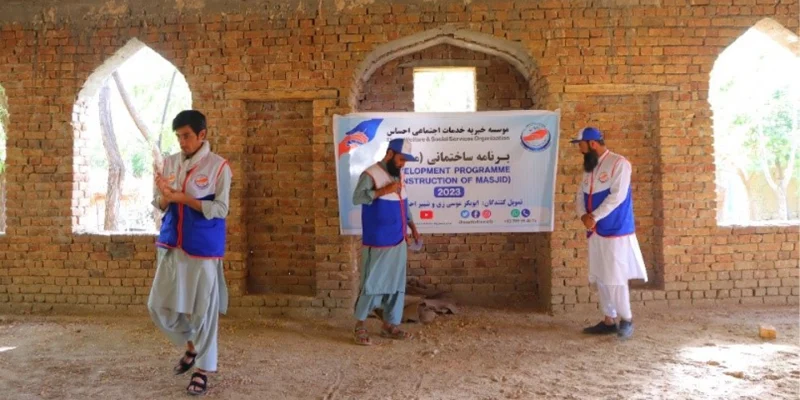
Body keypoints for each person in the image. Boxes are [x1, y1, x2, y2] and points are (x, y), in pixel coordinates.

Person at [147, 110, 232, 395]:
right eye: (178, 137)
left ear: (202, 135)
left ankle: (202, 370)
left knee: (204, 313)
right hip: (172, 244)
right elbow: (158, 203)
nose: (182, 142)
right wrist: (164, 196)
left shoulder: (219, 167)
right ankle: (193, 346)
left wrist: (184, 198)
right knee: (158, 306)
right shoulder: (169, 163)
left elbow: (220, 210)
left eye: (186, 136)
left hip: (203, 248)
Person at [572, 126, 647, 339]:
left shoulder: (619, 164)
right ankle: (608, 319)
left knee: (615, 275)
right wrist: (583, 216)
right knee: (600, 275)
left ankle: (626, 319)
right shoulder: (590, 167)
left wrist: (593, 216)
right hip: (594, 230)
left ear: (592, 143)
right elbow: (580, 194)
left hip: (615, 229)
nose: (579, 149)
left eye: (581, 145)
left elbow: (617, 196)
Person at [351, 138, 421, 345]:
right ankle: (360, 325)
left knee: (396, 285)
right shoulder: (370, 174)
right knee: (372, 283)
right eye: (401, 159)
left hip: (399, 239)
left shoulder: (399, 176)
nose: (403, 164)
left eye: (405, 161)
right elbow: (357, 198)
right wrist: (383, 191)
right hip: (379, 241)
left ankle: (390, 325)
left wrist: (413, 227)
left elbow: (404, 204)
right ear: (390, 154)